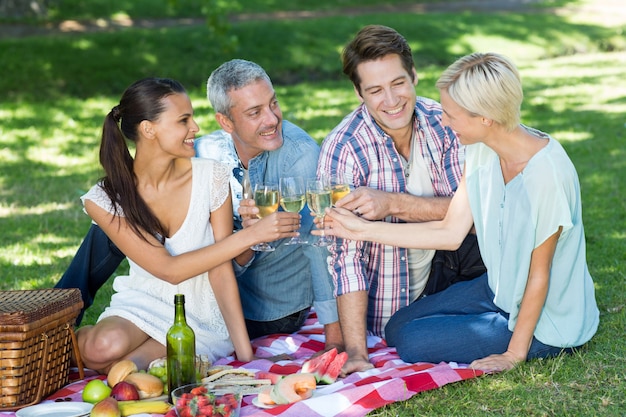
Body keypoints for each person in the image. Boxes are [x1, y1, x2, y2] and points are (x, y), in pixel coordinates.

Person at [317, 52, 599, 371]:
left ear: (485, 117)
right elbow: (450, 232)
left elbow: (539, 276)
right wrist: (360, 229)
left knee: (412, 342)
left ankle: (512, 334)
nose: (443, 120)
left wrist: (513, 354)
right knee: (396, 328)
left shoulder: (547, 175)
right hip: (500, 289)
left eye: (451, 114)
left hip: (549, 318)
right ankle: (488, 321)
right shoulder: (480, 150)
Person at [58, 59, 341, 350]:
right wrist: (248, 235)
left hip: (264, 307)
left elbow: (317, 242)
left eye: (274, 104)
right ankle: (54, 318)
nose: (271, 119)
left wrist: (335, 338)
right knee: (117, 211)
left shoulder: (299, 156)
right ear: (225, 122)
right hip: (193, 287)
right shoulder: (204, 152)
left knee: (141, 361)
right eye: (255, 112)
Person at [76, 77, 299, 374]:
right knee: (100, 348)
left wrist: (246, 357)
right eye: (184, 120)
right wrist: (252, 235)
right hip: (142, 302)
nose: (195, 128)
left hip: (200, 316)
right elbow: (169, 270)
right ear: (148, 129)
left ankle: (132, 363)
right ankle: (54, 349)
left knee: (133, 369)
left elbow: (221, 269)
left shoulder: (211, 176)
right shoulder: (105, 198)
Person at [316, 24, 485, 374]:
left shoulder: (445, 123)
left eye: (397, 84)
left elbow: (478, 214)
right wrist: (357, 352)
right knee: (407, 336)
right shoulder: (344, 148)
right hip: (398, 294)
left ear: (414, 76)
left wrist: (394, 203)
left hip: (455, 262)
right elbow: (344, 256)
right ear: (358, 92)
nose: (391, 101)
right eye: (375, 90)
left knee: (495, 239)